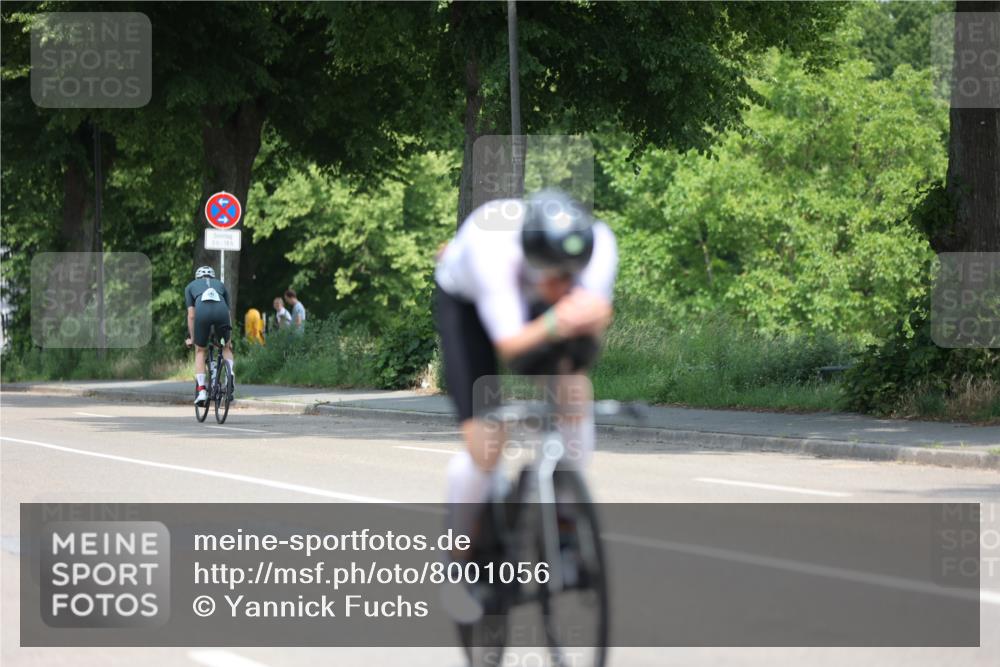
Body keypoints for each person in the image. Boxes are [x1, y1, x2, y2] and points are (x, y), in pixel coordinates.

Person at [434, 189, 617, 616]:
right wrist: (558, 318)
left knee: (573, 391)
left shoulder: (600, 245)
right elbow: (511, 345)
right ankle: (455, 566)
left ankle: (566, 520)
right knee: (486, 444)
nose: (562, 286)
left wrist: (575, 321)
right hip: (467, 302)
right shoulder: (492, 252)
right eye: (554, 277)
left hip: (530, 300)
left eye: (571, 277)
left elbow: (590, 325)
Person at [184, 266, 235, 406]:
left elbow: (192, 315)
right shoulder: (221, 285)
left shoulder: (190, 287)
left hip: (203, 313)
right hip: (222, 313)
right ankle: (230, 376)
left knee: (200, 350)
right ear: (213, 277)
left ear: (197, 277)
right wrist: (229, 338)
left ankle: (201, 391)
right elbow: (228, 314)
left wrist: (193, 338)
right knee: (225, 347)